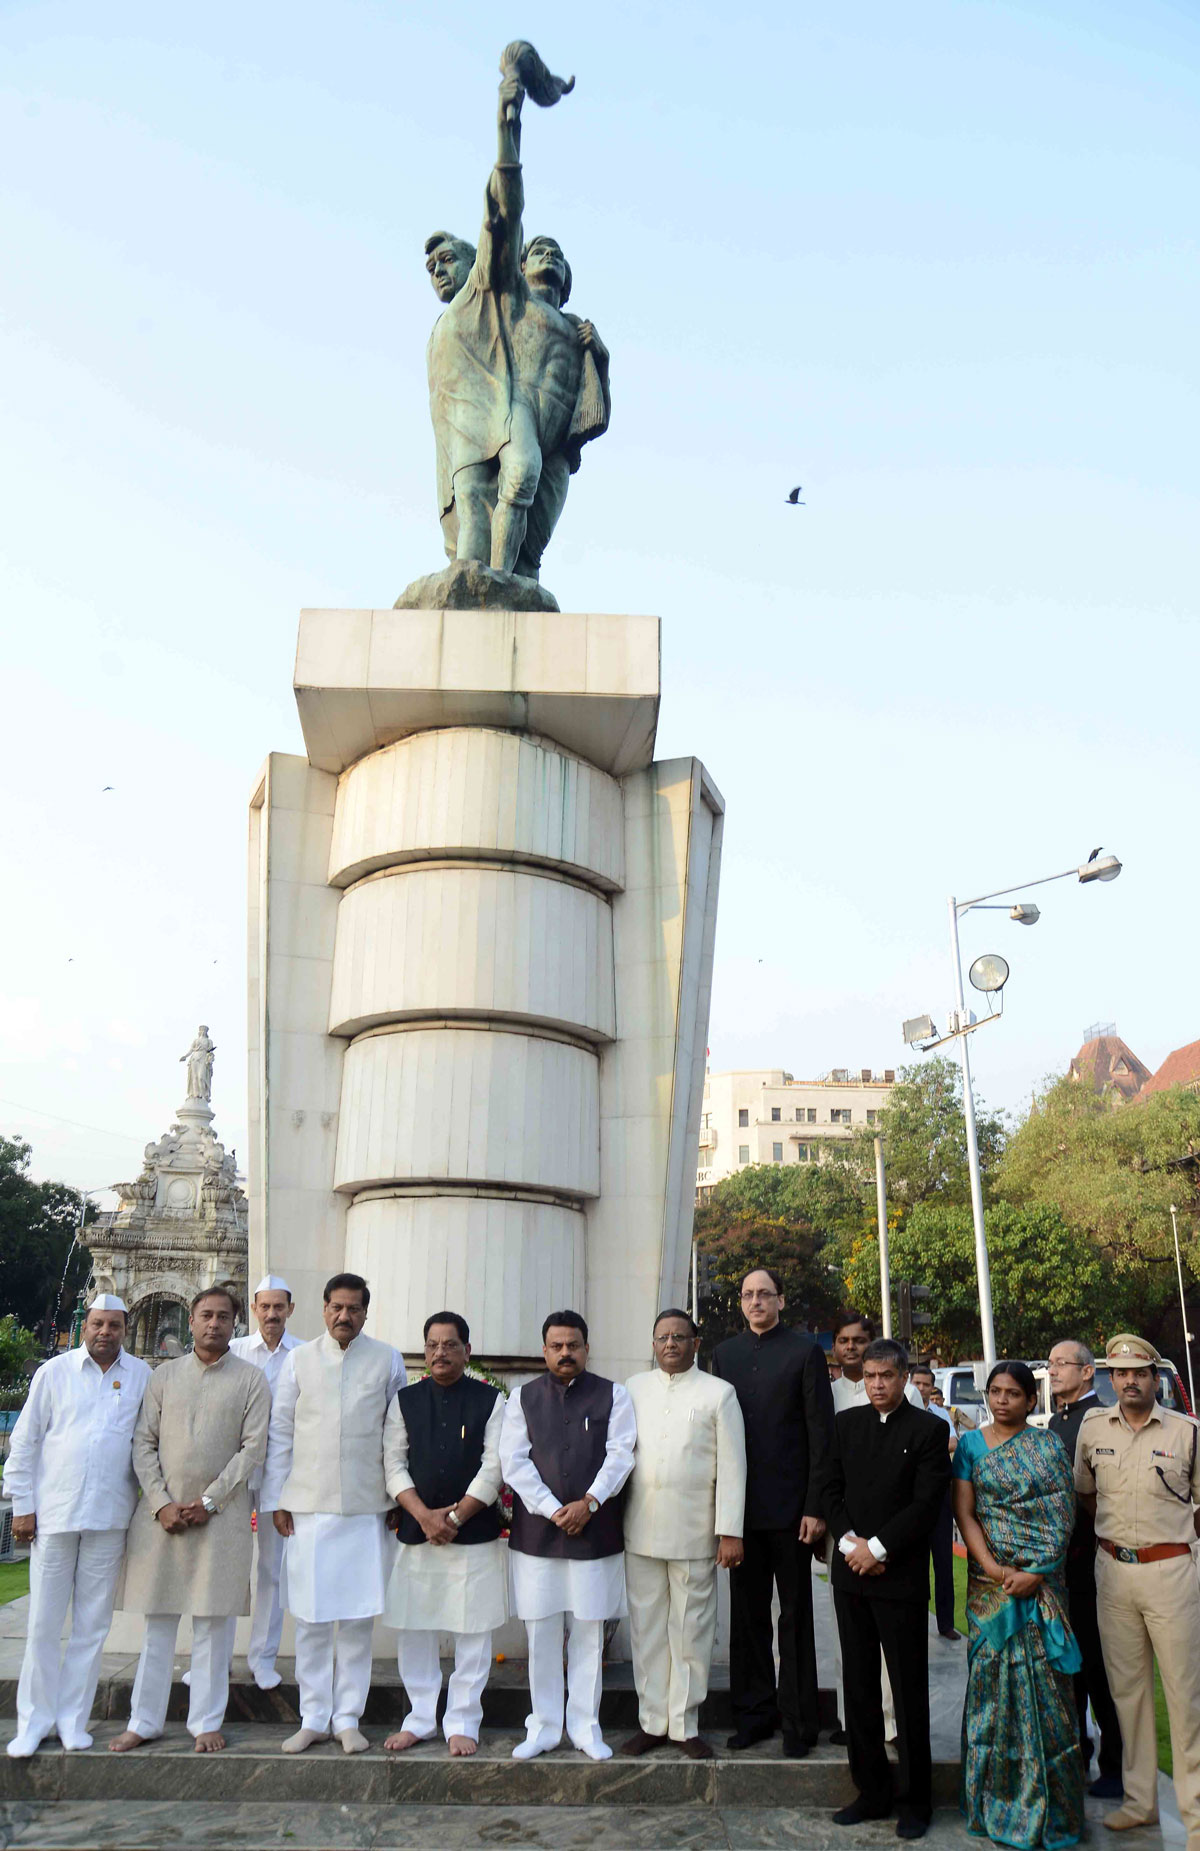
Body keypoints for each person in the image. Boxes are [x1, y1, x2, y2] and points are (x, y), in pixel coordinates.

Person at [425, 65, 609, 580]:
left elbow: (592, 413)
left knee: (533, 546)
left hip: (556, 447)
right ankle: (491, 580)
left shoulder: (576, 329)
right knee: (492, 504)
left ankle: (509, 582)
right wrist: (509, 133)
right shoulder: (510, 303)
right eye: (538, 250)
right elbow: (502, 218)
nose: (546, 254)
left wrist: (601, 355)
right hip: (507, 416)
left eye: (557, 253)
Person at [110, 1287, 271, 1755]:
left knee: (212, 1628)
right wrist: (161, 1502)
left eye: (223, 1316)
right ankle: (144, 1720)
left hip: (220, 1520)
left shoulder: (251, 1380)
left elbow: (252, 1450)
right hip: (163, 1520)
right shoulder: (163, 1377)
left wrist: (210, 1502)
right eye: (206, 1315)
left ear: (235, 1324)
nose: (214, 1323)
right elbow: (143, 1443)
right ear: (192, 1320)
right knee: (158, 1626)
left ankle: (205, 1722)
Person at [261, 1273, 406, 1755]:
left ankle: (347, 1718)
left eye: (354, 1309)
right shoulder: (300, 1360)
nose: (345, 1316)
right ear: (323, 1309)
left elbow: (395, 1435)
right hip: (308, 1508)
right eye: (337, 1308)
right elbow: (280, 1432)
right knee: (311, 1619)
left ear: (366, 1312)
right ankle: (313, 1717)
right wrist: (279, 1499)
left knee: (358, 1622)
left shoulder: (386, 1359)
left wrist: (395, 1500)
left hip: (367, 1509)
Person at [3, 1296, 151, 1758]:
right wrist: (22, 1506)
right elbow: (25, 1443)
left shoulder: (142, 1376)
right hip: (55, 1515)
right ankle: (34, 1721)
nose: (104, 1331)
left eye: (114, 1325)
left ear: (126, 1329)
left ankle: (72, 1720)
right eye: (97, 1323)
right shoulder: (55, 1372)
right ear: (84, 1326)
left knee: (92, 1626)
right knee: (45, 1623)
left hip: (109, 1516)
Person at [824, 1337, 951, 1841]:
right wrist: (851, 1543)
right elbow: (828, 1488)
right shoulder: (845, 1424)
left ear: (903, 1378)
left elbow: (925, 1506)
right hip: (850, 1575)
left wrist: (876, 1549)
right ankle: (871, 1791)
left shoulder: (929, 1429)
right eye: (870, 1376)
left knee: (907, 1690)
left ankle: (916, 1801)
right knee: (857, 1688)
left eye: (886, 1376)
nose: (877, 1384)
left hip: (898, 1577)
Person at [952, 1361, 1083, 1849]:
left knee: (1050, 1698)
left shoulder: (1048, 1446)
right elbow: (965, 1512)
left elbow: (1061, 1513)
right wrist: (989, 1565)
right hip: (992, 1589)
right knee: (991, 1690)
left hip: (1042, 1585)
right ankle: (993, 1801)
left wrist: (1037, 1572)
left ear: (1031, 1400)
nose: (1002, 1400)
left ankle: (1054, 1810)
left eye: (1013, 1392)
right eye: (994, 1391)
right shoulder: (969, 1446)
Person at [1075, 1333, 1200, 1843]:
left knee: (1185, 1700)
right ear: (1110, 1378)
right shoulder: (1092, 1428)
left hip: (1170, 1571)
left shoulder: (1186, 1431)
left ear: (1155, 1378)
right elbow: (1087, 1496)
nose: (1130, 1381)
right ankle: (1140, 1800)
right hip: (1114, 1572)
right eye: (1120, 1374)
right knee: (1127, 1695)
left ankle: (1196, 1819)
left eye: (1139, 1373)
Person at [500, 1310, 635, 1761]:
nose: (564, 1353)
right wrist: (552, 1508)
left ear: (586, 1348)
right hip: (539, 1535)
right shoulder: (522, 1398)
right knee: (540, 1633)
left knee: (589, 1631)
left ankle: (584, 1726)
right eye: (556, 1346)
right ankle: (542, 1727)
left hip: (594, 1533)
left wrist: (589, 1503)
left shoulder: (614, 1395)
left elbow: (620, 1456)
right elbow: (514, 1461)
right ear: (544, 1350)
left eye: (572, 1345)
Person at [711, 1267, 834, 1756]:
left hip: (793, 1514)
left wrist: (815, 1507)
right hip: (741, 1515)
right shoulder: (725, 1355)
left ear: (781, 1300)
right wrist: (723, 1517)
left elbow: (820, 1435)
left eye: (765, 1294)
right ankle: (753, 1717)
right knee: (747, 1622)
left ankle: (799, 1724)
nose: (756, 1301)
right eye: (748, 1295)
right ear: (741, 1303)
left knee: (796, 1620)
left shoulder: (804, 1352)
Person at [619, 1308, 746, 1760]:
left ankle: (684, 1724)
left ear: (696, 1342)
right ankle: (652, 1721)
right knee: (647, 1630)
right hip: (640, 1528)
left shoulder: (719, 1394)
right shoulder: (632, 1390)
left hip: (695, 1533)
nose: (670, 1344)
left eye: (679, 1337)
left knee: (691, 1630)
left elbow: (732, 1468)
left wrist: (730, 1531)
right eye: (662, 1337)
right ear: (652, 1344)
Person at [382, 1311, 507, 1758]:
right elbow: (393, 1462)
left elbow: (495, 1466)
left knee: (473, 1629)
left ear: (467, 1351)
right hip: (418, 1530)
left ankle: (462, 1722)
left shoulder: (491, 1401)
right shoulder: (405, 1401)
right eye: (432, 1345)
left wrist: (454, 1518)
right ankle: (419, 1718)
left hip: (472, 1534)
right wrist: (423, 1514)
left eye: (450, 1344)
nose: (440, 1352)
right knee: (415, 1626)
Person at [1047, 1339, 1123, 1800]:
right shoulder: (1059, 1420)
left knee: (1099, 1669)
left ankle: (1114, 1766)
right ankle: (1077, 1748)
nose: (1052, 1371)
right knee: (1069, 1666)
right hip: (1061, 1567)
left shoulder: (1099, 1421)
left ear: (1088, 1372)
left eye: (1062, 1364)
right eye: (1051, 1364)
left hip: (1091, 1563)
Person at [227, 1274, 304, 1691]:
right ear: (253, 1308)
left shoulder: (305, 1355)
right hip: (235, 1475)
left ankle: (263, 1659)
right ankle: (214, 1660)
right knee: (225, 1567)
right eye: (264, 1306)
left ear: (291, 1309)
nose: (272, 1313)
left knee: (273, 1570)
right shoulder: (234, 1352)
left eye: (279, 1306)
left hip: (282, 1476)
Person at [910, 1362, 961, 1643]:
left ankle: (946, 1624)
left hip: (940, 1496)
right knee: (914, 1565)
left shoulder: (941, 1412)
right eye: (916, 1383)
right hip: (911, 1496)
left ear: (932, 1387)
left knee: (943, 1562)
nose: (921, 1388)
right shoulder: (905, 1412)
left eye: (925, 1384)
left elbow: (954, 1443)